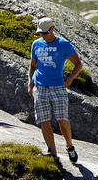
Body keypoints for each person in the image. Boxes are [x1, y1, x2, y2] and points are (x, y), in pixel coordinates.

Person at [28, 17, 83, 163]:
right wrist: (30, 84)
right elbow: (33, 65)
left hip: (58, 86)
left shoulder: (63, 44)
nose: (42, 36)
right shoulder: (36, 44)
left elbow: (78, 64)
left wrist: (70, 78)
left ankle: (69, 146)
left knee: (62, 120)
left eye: (45, 33)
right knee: (44, 120)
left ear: (52, 29)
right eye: (40, 33)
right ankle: (52, 153)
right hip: (39, 86)